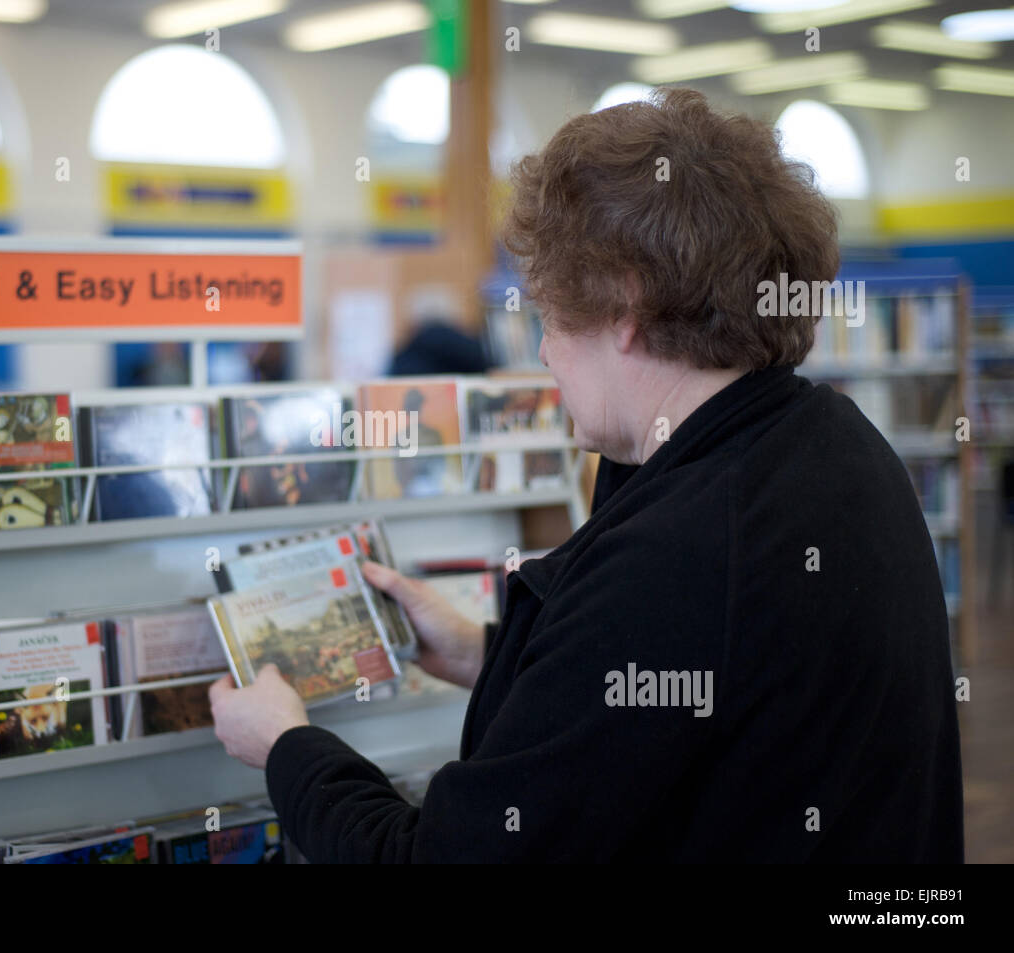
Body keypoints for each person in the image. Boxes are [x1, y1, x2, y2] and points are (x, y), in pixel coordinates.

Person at [208, 88, 964, 862]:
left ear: (625, 306)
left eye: (549, 315)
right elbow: (681, 706)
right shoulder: (838, 445)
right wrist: (486, 652)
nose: (541, 353)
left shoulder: (677, 554)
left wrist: (286, 747)